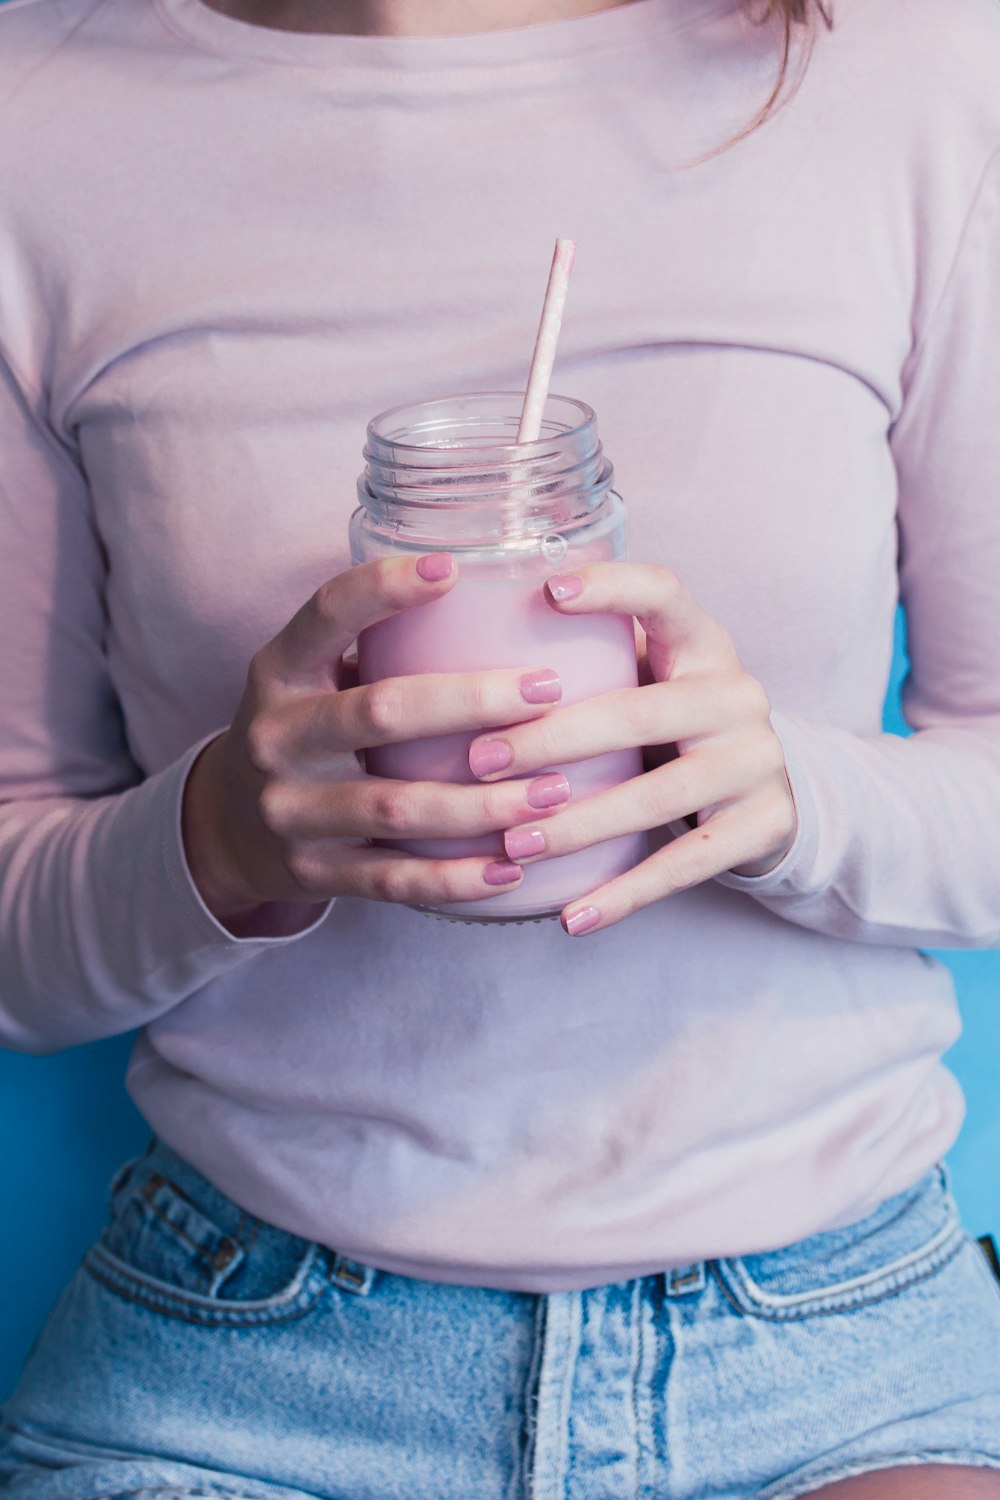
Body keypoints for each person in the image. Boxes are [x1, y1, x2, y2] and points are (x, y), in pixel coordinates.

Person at [0, 0, 999, 1493]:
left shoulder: (915, 64)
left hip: (834, 1339)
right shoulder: (38, 123)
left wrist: (790, 793)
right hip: (249, 1345)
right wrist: (221, 835)